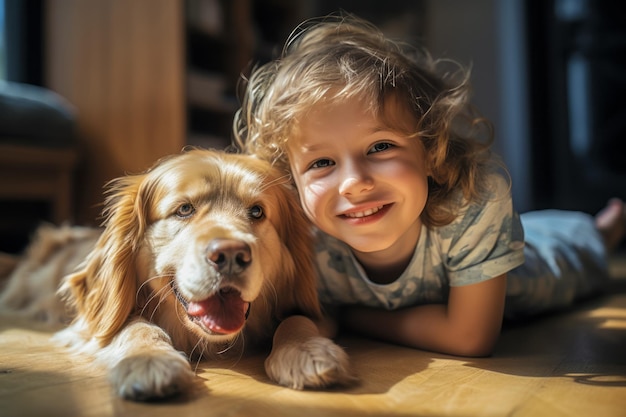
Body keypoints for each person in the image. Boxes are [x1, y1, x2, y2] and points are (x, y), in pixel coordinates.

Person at [233, 14, 626, 357]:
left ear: (431, 149)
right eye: (321, 163)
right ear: (292, 182)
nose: (354, 183)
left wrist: (353, 318)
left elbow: (470, 337)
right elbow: (301, 320)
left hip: (531, 272)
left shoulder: (474, 205)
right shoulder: (305, 243)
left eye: (380, 146)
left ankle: (602, 231)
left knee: (564, 252)